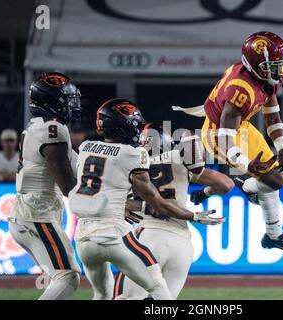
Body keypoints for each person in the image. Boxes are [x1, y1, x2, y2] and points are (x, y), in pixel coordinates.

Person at [69, 99, 224, 300]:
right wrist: (195, 212)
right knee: (159, 294)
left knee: (103, 295)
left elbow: (86, 185)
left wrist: (123, 205)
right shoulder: (136, 155)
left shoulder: (86, 147)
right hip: (130, 237)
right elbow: (158, 202)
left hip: (85, 238)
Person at [173, 31, 283, 258]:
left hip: (241, 128)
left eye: (280, 64)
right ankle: (249, 192)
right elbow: (224, 139)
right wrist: (247, 165)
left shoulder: (263, 79)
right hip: (218, 134)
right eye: (273, 66)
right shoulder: (240, 90)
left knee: (274, 179)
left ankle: (273, 234)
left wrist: (282, 146)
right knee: (274, 179)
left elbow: (272, 116)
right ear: (257, 66)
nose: (280, 71)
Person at [114, 122, 234, 300]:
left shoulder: (132, 163)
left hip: (149, 237)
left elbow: (116, 200)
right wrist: (204, 192)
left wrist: (123, 206)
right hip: (182, 244)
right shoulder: (180, 159)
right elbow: (226, 184)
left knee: (125, 297)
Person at [8, 72, 82, 300]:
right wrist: (105, 206)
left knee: (56, 279)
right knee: (68, 277)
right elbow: (68, 185)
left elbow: (78, 163)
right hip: (37, 216)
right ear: (53, 100)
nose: (71, 104)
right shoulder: (53, 130)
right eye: (66, 99)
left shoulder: (39, 126)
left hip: (27, 215)